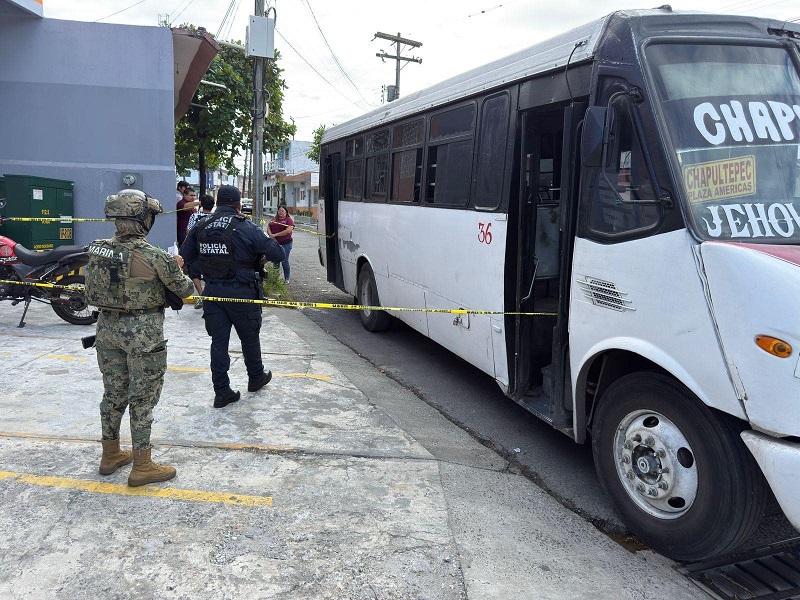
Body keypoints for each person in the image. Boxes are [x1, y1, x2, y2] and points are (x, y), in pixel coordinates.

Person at [84, 189, 195, 487]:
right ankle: (142, 465)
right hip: (143, 332)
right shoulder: (155, 256)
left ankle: (110, 455)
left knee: (113, 393)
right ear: (141, 218)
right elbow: (186, 291)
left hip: (107, 328)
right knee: (143, 397)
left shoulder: (96, 248)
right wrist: (178, 267)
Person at [181, 185, 286, 408]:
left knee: (218, 342)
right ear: (238, 206)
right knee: (249, 337)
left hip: (213, 294)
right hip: (242, 293)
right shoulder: (246, 227)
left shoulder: (201, 226)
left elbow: (185, 257)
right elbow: (277, 252)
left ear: (218, 203)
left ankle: (221, 392)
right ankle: (256, 377)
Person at [186, 194, 215, 309]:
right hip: (211, 249)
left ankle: (201, 295)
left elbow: (189, 231)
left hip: (196, 249)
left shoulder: (195, 216)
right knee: (210, 272)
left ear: (201, 204)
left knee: (194, 273)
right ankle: (206, 296)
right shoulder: (215, 217)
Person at [266, 204, 294, 283]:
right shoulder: (274, 219)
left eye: (282, 211)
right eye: (279, 211)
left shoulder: (288, 220)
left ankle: (286, 279)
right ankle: (275, 278)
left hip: (286, 243)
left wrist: (276, 235)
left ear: (286, 212)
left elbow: (288, 230)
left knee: (284, 260)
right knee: (276, 260)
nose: (280, 212)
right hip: (275, 243)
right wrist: (270, 234)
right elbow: (268, 226)